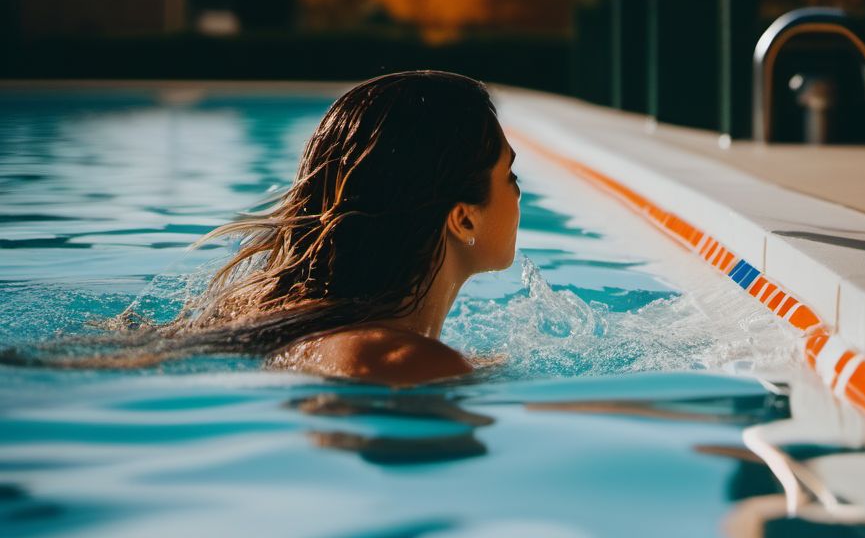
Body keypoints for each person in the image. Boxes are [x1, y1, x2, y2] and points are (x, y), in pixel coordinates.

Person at [11, 71, 520, 385]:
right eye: (509, 175)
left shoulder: (306, 324)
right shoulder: (401, 358)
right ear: (463, 216)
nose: (519, 193)